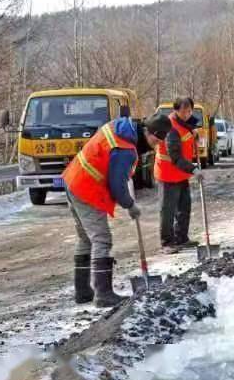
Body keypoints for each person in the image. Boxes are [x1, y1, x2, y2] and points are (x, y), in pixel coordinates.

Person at [63, 113, 172, 307]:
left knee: (85, 238)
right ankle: (103, 294)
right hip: (87, 188)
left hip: (73, 180)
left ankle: (82, 292)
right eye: (156, 140)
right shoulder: (125, 149)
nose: (156, 145)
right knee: (101, 239)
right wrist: (130, 205)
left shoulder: (120, 128)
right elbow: (117, 185)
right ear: (148, 131)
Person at [154, 97, 204, 254]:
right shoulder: (171, 129)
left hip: (181, 174)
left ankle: (181, 237)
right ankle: (167, 242)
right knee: (168, 210)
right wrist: (194, 169)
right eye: (184, 111)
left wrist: (194, 135)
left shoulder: (186, 123)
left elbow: (188, 135)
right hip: (168, 173)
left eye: (190, 111)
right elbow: (175, 157)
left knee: (184, 207)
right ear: (176, 110)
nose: (188, 114)